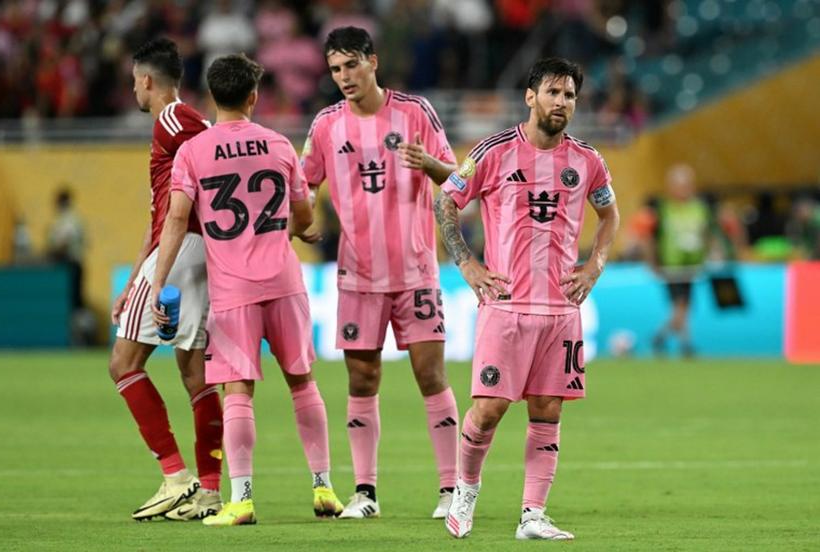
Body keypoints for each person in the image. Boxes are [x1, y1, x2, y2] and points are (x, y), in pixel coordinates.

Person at [151, 53, 343, 526]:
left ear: (211, 97)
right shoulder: (278, 145)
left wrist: (159, 282)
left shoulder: (192, 153)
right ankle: (324, 488)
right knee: (303, 382)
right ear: (254, 97)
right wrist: (297, 230)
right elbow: (303, 214)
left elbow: (177, 218)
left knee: (238, 391)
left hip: (233, 289)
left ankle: (242, 499)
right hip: (283, 280)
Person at [435, 57, 619, 540]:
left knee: (547, 410)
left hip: (560, 310)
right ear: (530, 96)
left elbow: (610, 217)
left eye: (570, 96)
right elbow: (445, 201)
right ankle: (465, 493)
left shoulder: (588, 161)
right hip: (507, 307)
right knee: (489, 408)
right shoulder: (492, 152)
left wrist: (593, 268)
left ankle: (532, 515)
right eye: (553, 93)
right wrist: (467, 264)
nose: (562, 103)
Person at [301, 26, 460, 519]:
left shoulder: (415, 112)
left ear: (372, 61)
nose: (344, 77)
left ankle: (453, 491)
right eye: (335, 69)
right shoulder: (326, 124)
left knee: (430, 375)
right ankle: (365, 493)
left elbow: (458, 180)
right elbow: (303, 184)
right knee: (362, 379)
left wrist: (428, 162)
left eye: (351, 65)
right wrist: (300, 219)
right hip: (357, 276)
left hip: (415, 272)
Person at [109, 38, 223, 521]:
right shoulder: (168, 129)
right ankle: (210, 492)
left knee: (123, 363)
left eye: (135, 80)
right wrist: (134, 279)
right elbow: (160, 214)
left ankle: (175, 476)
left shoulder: (175, 119)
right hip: (184, 251)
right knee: (194, 372)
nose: (133, 88)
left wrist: (154, 277)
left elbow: (221, 153)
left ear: (148, 80)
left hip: (180, 253)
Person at [645, 163, 712, 357]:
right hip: (671, 266)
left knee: (684, 305)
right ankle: (674, 341)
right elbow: (650, 236)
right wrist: (652, 262)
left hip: (692, 265)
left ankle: (676, 341)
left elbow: (706, 233)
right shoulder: (662, 209)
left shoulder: (699, 208)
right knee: (681, 305)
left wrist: (707, 255)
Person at [46, 187, 86, 310]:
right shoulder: (64, 220)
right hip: (66, 265)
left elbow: (63, 243)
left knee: (73, 300)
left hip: (71, 264)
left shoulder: (70, 220)